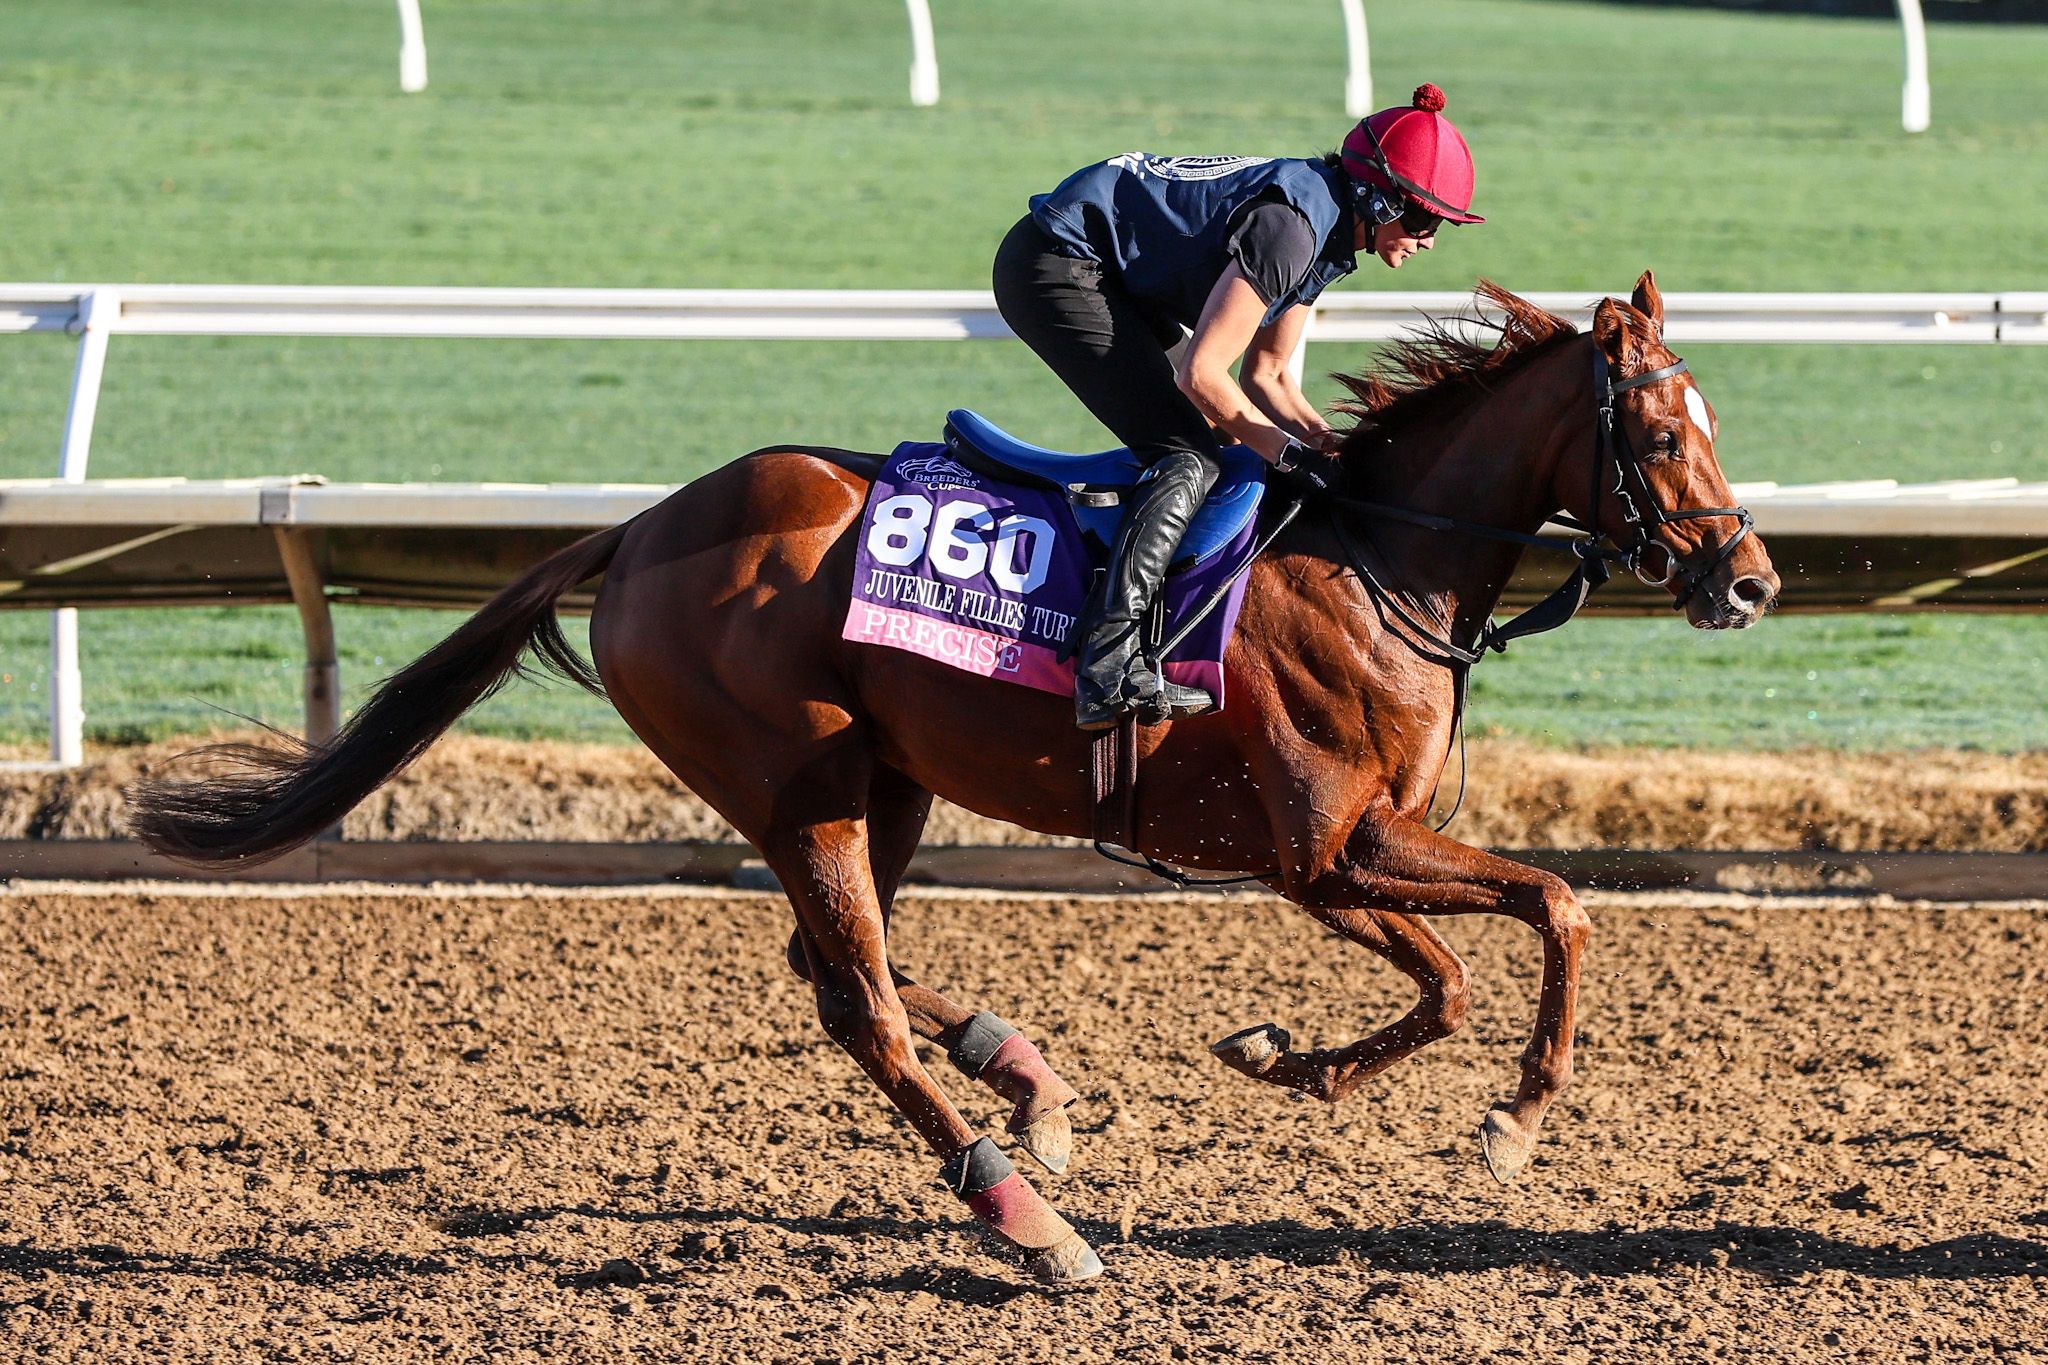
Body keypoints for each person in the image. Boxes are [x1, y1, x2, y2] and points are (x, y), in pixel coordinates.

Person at [993, 83, 1484, 731]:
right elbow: (1205, 375)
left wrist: (1333, 448)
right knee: (1188, 455)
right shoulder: (1292, 232)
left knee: (1215, 445)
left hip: (1112, 274)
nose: (1428, 240)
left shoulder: (1330, 230)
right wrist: (1285, 452)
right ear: (1378, 196)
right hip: (1057, 263)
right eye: (1423, 220)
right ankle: (1107, 665)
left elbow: (1270, 376)